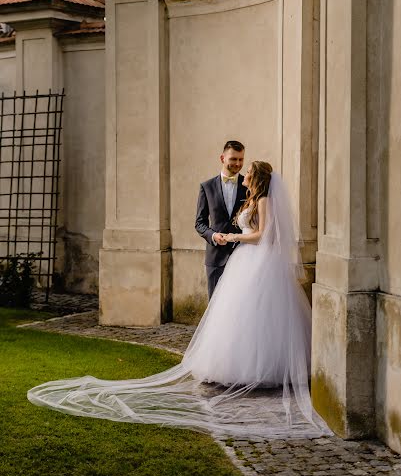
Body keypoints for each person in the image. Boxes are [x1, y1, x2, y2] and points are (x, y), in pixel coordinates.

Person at [27, 162, 332, 440]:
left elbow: (264, 235)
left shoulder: (263, 200)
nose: (245, 175)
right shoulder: (251, 198)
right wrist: (226, 237)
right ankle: (236, 368)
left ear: (258, 178)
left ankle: (264, 370)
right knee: (237, 317)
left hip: (258, 262)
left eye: (249, 172)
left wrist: (235, 238)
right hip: (245, 262)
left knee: (260, 316)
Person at [195, 141, 248, 299]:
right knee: (215, 306)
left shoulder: (249, 186)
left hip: (243, 257)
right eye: (233, 159)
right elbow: (200, 223)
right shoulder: (207, 187)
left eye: (241, 159)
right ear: (222, 158)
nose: (238, 163)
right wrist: (213, 236)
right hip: (216, 257)